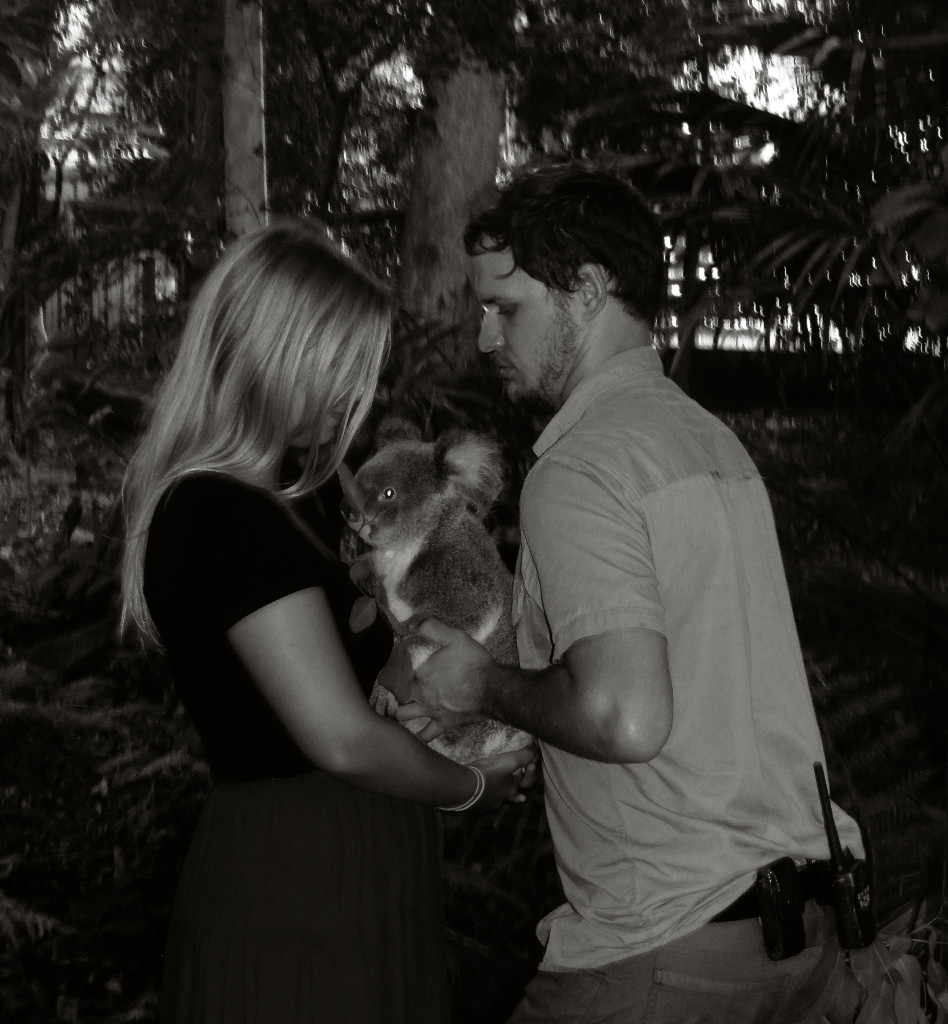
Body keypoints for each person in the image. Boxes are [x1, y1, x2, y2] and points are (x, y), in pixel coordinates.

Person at [395, 163, 871, 1023]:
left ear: (584, 290)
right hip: (799, 936)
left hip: (665, 947)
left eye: (506, 307)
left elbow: (625, 715)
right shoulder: (707, 440)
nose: (485, 339)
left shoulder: (580, 466)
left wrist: (477, 684)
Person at [119, 220, 536, 1024]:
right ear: (273, 355)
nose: (353, 396)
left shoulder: (295, 498)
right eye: (337, 370)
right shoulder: (217, 511)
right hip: (297, 871)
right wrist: (471, 788)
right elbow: (337, 735)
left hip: (368, 858)